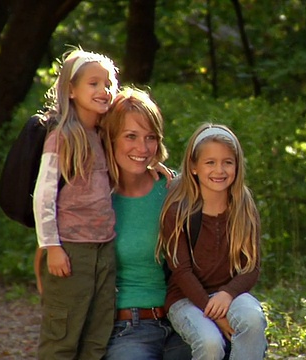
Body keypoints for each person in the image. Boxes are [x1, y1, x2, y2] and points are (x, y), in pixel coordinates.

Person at [33, 48, 119, 359]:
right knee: (62, 336)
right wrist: (51, 246)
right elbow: (44, 194)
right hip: (70, 249)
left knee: (97, 335)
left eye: (108, 84)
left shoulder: (101, 134)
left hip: (104, 249)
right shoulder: (62, 136)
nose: (103, 90)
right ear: (71, 90)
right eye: (93, 83)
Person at [156, 124, 267, 360]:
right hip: (185, 298)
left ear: (237, 165)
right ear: (194, 167)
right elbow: (182, 272)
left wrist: (227, 294)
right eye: (210, 162)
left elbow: (252, 267)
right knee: (210, 343)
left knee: (253, 318)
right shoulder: (179, 211)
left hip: (228, 293)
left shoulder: (244, 207)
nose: (220, 170)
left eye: (228, 162)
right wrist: (215, 314)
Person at [98, 87, 192, 359]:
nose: (143, 148)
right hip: (126, 328)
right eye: (131, 136)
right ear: (110, 138)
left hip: (182, 320)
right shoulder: (96, 198)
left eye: (150, 137)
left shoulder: (174, 188)